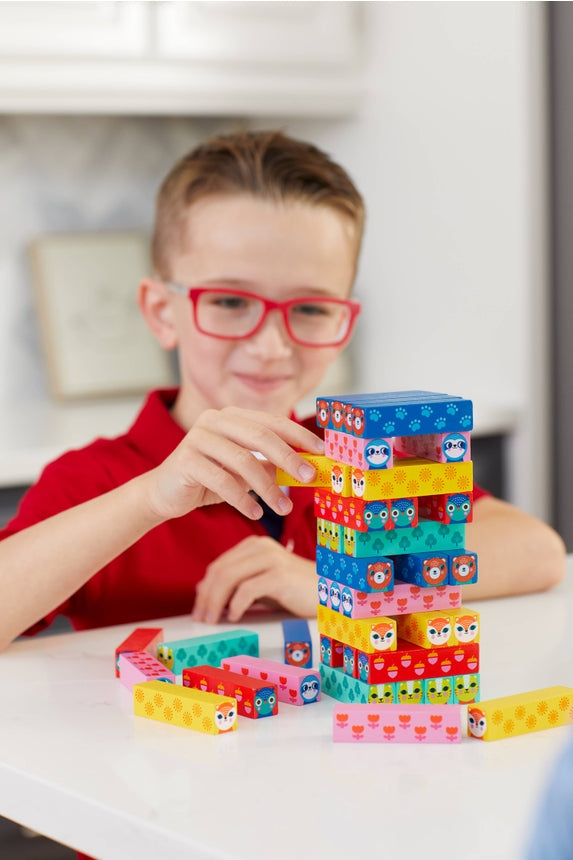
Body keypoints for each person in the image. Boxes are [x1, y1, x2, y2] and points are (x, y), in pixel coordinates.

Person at [0, 130, 566, 652]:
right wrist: (148, 500)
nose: (271, 346)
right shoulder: (97, 482)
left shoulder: (365, 458)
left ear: (345, 321)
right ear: (160, 311)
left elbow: (537, 552)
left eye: (312, 308)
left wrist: (335, 584)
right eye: (228, 301)